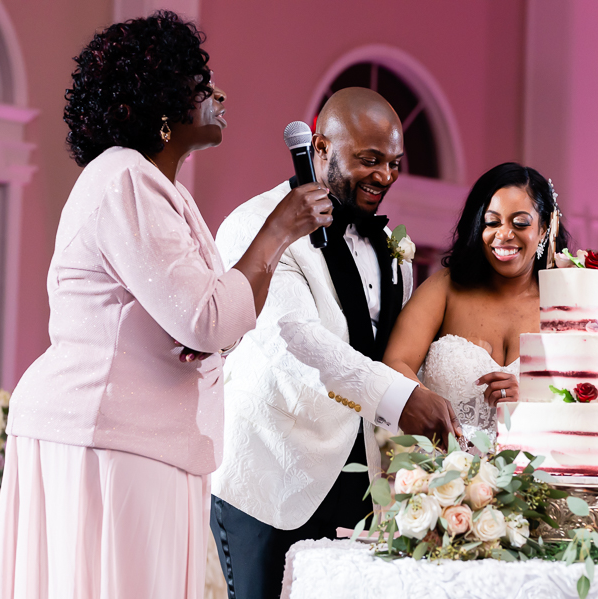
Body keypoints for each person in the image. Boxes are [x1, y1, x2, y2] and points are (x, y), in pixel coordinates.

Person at [0, 12, 331, 599]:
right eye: (201, 82)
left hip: (147, 436)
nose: (219, 93)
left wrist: (209, 321)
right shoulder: (123, 178)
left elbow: (216, 322)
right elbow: (210, 317)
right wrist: (277, 231)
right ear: (162, 104)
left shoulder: (164, 192)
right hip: (105, 433)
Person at [210, 87, 462, 599]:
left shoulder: (396, 252)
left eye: (394, 163)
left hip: (362, 485)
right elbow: (295, 345)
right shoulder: (254, 226)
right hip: (271, 479)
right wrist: (401, 399)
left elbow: (394, 352)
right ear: (320, 148)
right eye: (369, 160)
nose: (385, 176)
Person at [383, 163, 570, 440]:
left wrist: (530, 405)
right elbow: (395, 362)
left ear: (544, 229)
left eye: (520, 223)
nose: (504, 234)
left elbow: (585, 409)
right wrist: (427, 403)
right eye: (492, 222)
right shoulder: (445, 287)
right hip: (443, 474)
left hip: (538, 478)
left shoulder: (567, 306)